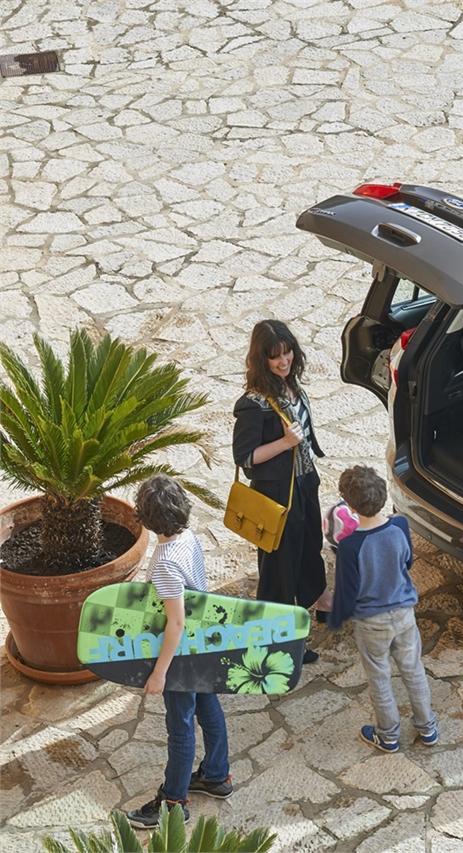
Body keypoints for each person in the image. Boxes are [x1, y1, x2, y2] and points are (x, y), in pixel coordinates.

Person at [126, 476, 233, 829]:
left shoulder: (166, 565)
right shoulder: (187, 537)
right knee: (208, 706)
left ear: (146, 517)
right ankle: (217, 776)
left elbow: (175, 623)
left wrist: (159, 673)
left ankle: (173, 802)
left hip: (180, 655)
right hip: (200, 644)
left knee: (180, 726)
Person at [232, 320, 326, 664]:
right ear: (262, 360)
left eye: (287, 352)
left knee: (306, 552)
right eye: (275, 357)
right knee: (279, 569)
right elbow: (245, 458)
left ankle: (309, 613)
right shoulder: (253, 404)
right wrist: (285, 443)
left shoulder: (290, 384)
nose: (284, 361)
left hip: (303, 484)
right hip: (276, 496)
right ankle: (278, 642)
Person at [329, 465, 439, 752]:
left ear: (350, 505)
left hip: (371, 622)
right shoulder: (400, 525)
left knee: (379, 677)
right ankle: (428, 729)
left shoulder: (350, 546)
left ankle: (388, 736)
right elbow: (407, 563)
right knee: (413, 669)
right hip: (404, 614)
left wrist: (336, 617)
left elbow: (347, 590)